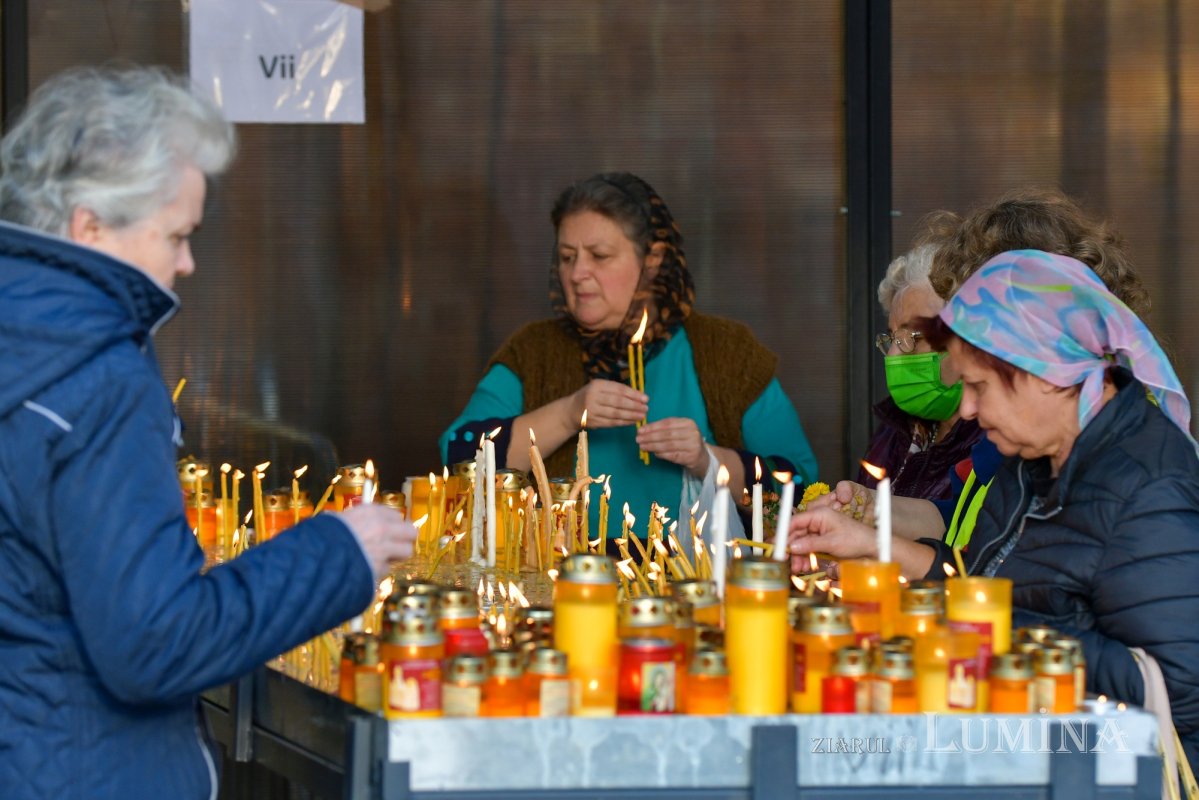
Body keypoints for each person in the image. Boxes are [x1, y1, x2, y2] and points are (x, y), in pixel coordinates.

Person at [0, 67, 417, 799]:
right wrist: (338, 554)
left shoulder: (23, 344)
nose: (188, 263)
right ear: (90, 226)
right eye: (178, 235)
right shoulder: (100, 379)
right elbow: (154, 643)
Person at [793, 249, 1199, 771]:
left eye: (977, 386)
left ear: (1046, 373)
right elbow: (983, 582)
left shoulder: (1149, 484)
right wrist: (877, 550)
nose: (965, 408)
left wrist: (992, 625)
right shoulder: (1028, 461)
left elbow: (1179, 692)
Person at [439, 172, 817, 540]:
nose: (577, 273)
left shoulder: (726, 351)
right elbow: (457, 459)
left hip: (695, 589)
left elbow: (800, 486)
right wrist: (568, 413)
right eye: (568, 257)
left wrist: (708, 460)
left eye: (599, 256)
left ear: (652, 258)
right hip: (562, 581)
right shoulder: (535, 350)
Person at [808, 188, 1154, 553]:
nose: (969, 407)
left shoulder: (1125, 466)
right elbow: (970, 531)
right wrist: (874, 518)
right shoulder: (1029, 436)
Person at [858, 244, 983, 500]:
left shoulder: (1001, 438)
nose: (893, 355)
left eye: (911, 337)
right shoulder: (895, 429)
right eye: (892, 338)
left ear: (965, 337)